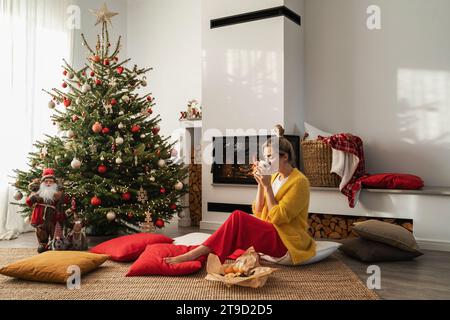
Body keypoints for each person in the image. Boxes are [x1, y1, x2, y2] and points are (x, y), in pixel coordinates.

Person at [165, 126, 316, 265]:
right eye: (265, 157)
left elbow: (278, 218)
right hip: (271, 232)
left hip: (286, 241)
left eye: (271, 156)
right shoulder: (275, 176)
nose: (267, 161)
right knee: (236, 227)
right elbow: (258, 211)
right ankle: (202, 253)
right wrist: (261, 185)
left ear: (285, 157)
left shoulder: (299, 182)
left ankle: (194, 254)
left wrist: (268, 186)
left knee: (238, 218)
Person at [25, 168, 65, 253]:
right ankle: (43, 244)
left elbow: (63, 202)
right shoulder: (38, 193)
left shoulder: (57, 194)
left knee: (54, 230)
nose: (48, 184)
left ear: (54, 183)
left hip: (52, 217)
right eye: (46, 182)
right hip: (40, 217)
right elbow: (28, 203)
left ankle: (54, 243)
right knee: (41, 230)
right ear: (42, 183)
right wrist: (33, 198)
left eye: (51, 182)